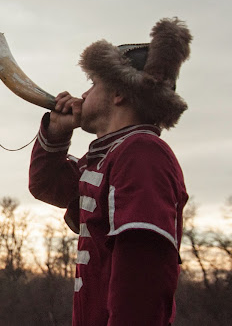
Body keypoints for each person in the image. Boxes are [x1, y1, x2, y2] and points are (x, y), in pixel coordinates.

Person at [29, 18, 192, 325]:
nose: (84, 94)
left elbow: (142, 275)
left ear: (119, 93)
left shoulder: (142, 153)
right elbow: (45, 185)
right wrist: (57, 132)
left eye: (93, 83)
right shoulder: (109, 157)